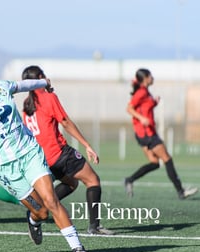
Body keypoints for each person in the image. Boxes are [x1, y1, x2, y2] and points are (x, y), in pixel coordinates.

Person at [0, 61, 91, 252]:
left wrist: (41, 83)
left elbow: (22, 86)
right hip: (6, 168)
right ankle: (33, 219)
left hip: (30, 153)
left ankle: (78, 248)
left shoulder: (1, 86)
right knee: (42, 212)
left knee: (51, 199)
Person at [21, 65, 114, 235]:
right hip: (59, 154)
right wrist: (87, 145)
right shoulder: (48, 98)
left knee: (71, 183)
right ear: (41, 78)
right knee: (93, 180)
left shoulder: (27, 104)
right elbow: (65, 122)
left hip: (41, 159)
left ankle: (37, 209)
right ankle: (94, 226)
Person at [124, 68, 198, 199]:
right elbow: (129, 108)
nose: (153, 78)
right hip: (147, 134)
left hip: (146, 133)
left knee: (155, 162)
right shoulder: (141, 92)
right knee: (167, 159)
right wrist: (141, 118)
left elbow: (145, 107)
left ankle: (129, 180)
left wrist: (154, 102)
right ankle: (181, 191)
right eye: (151, 76)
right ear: (145, 78)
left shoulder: (146, 92)